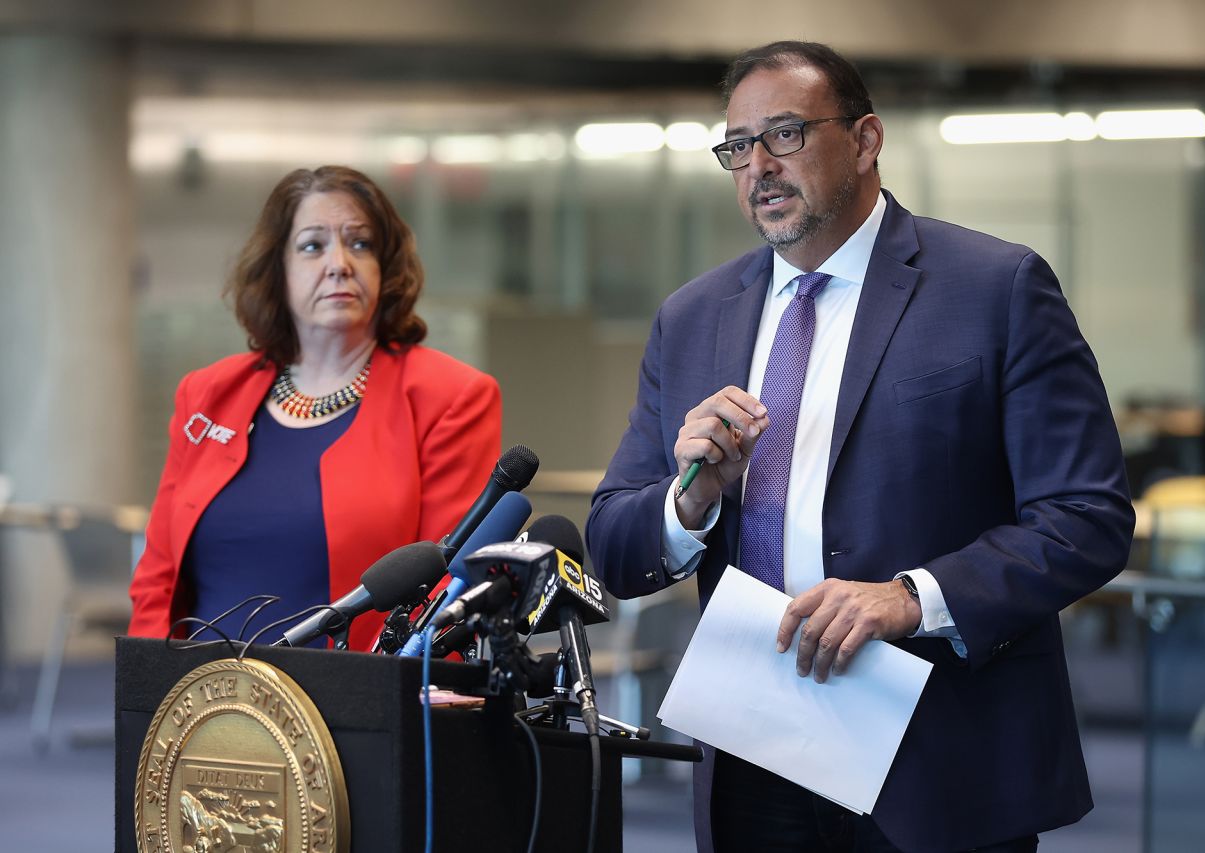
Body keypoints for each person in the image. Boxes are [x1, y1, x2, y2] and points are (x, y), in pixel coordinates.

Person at [586, 42, 1134, 853]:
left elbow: (1086, 517)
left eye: (785, 136)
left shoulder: (996, 288)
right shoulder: (693, 319)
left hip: (936, 751)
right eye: (738, 147)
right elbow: (612, 544)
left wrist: (913, 595)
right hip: (752, 750)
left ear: (866, 140)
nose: (758, 168)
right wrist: (690, 499)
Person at [128, 165, 501, 651]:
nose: (339, 263)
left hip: (352, 704)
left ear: (384, 268)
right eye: (312, 246)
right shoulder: (206, 393)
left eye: (360, 244)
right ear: (277, 269)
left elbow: (446, 595)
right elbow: (157, 576)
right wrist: (145, 695)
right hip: (203, 703)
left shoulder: (449, 397)